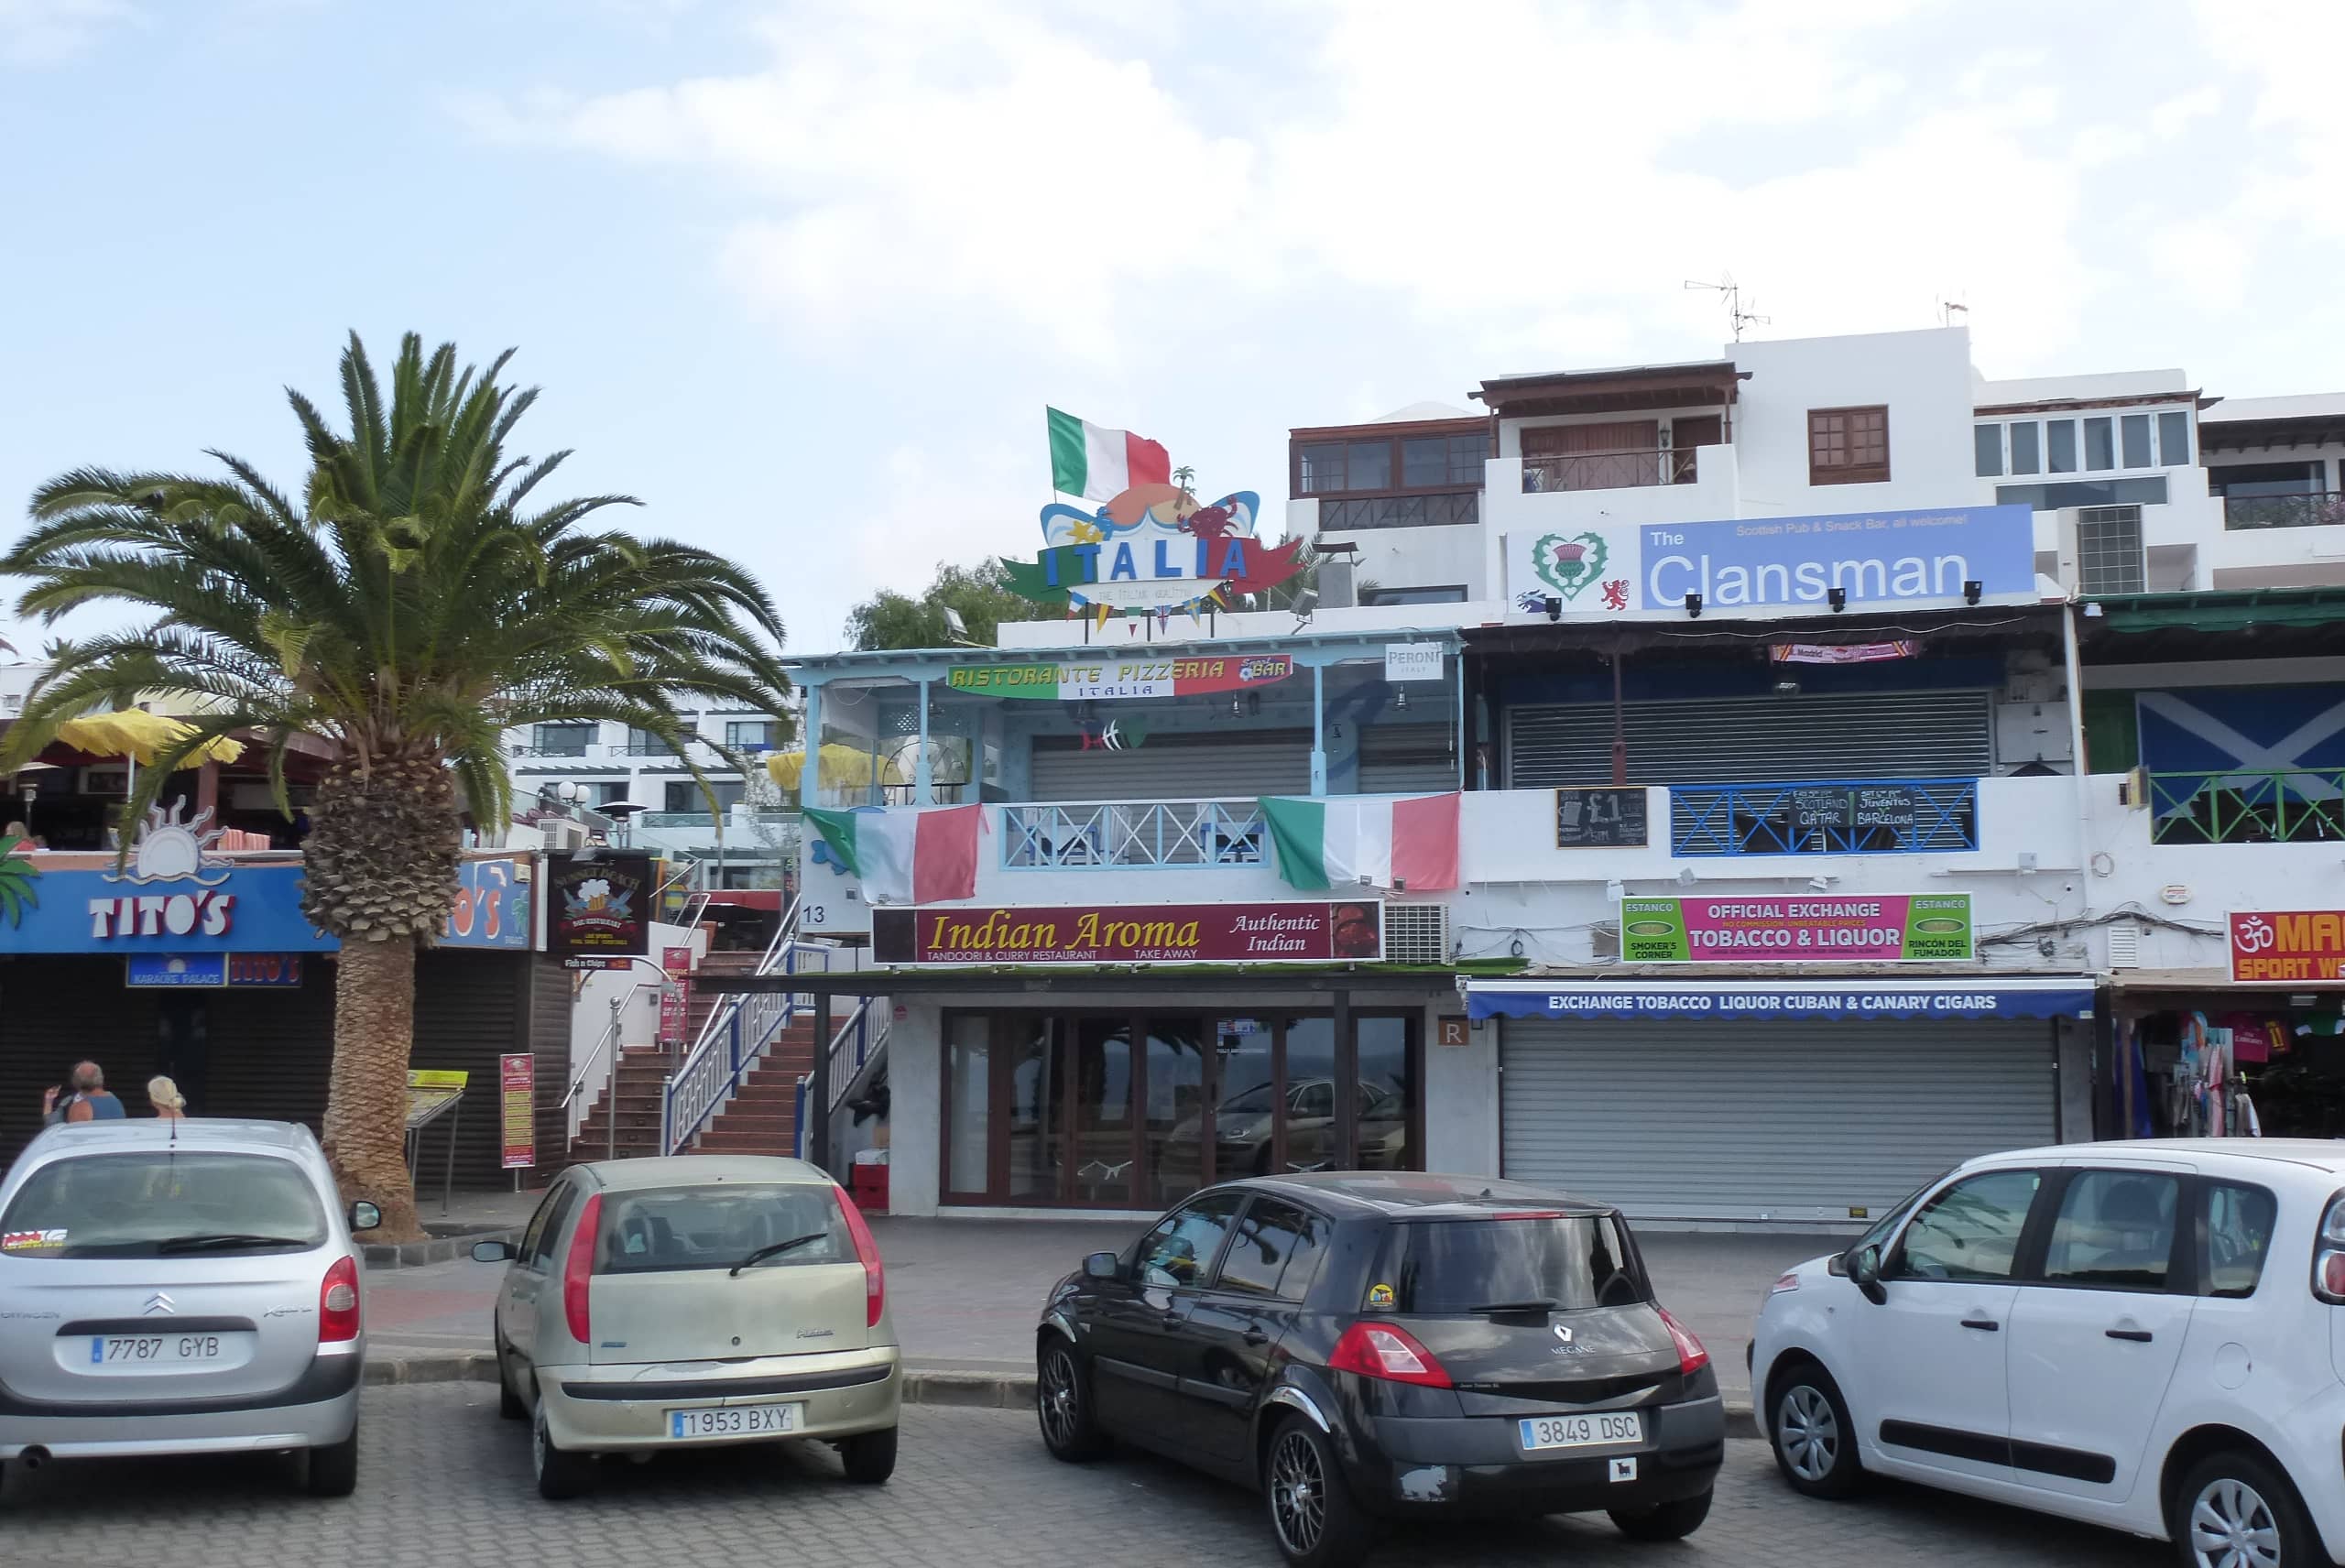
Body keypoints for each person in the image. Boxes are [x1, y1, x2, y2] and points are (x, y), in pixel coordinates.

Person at [41, 1062, 126, 1124]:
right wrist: (49, 1100)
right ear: (101, 1078)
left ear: (76, 1082)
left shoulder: (80, 1107)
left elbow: (76, 1142)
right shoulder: (115, 1100)